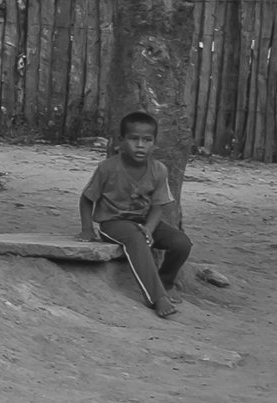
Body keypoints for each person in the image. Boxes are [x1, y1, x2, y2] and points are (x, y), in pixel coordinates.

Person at [79, 110, 192, 319]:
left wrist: (149, 228)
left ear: (155, 143)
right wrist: (87, 228)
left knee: (182, 243)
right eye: (133, 139)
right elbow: (87, 198)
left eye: (147, 140)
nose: (140, 145)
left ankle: (166, 281)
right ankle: (156, 297)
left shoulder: (159, 170)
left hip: (143, 221)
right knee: (135, 238)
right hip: (113, 222)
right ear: (121, 141)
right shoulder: (108, 168)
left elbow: (159, 205)